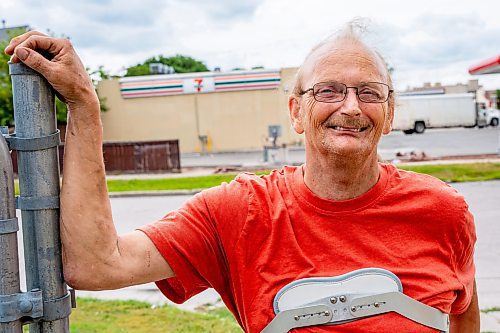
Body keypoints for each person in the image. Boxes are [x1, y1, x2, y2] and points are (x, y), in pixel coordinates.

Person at [5, 23, 479, 332]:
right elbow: (97, 265)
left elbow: (463, 319)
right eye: (329, 91)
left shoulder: (443, 211)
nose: (351, 107)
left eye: (369, 92)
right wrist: (85, 109)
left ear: (390, 111)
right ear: (297, 111)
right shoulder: (240, 211)